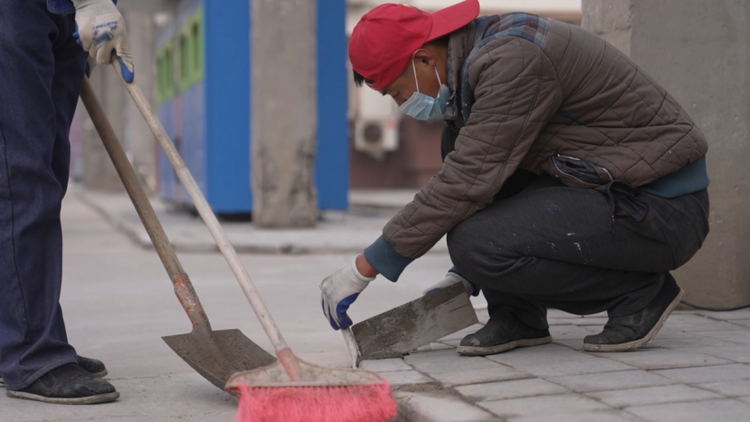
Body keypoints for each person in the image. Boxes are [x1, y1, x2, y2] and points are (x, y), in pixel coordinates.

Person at [320, 0, 709, 357]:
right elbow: (479, 177)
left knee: (475, 241)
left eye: (396, 92)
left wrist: (365, 267)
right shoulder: (475, 72)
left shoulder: (514, 57)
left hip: (660, 207)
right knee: (458, 145)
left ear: (424, 60)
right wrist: (463, 276)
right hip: (609, 190)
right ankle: (517, 315)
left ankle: (641, 294)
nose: (401, 104)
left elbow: (467, 181)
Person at [0, 0, 134, 404]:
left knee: (48, 172)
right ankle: (31, 353)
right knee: (20, 176)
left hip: (63, 11)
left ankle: (20, 335)